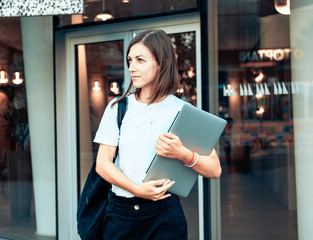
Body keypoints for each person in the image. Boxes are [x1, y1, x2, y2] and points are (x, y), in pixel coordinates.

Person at [94, 29, 222, 240]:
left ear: (161, 63)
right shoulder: (117, 108)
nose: (131, 68)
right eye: (130, 60)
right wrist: (137, 189)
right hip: (120, 215)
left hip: (164, 215)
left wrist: (183, 153)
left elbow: (215, 169)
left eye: (140, 60)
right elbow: (103, 164)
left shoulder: (182, 111)